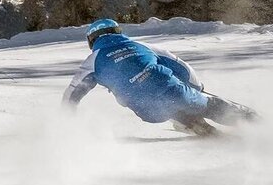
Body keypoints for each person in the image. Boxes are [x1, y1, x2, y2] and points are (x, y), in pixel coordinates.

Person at [62, 19, 258, 135]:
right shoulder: (141, 46)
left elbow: (73, 92)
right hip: (175, 91)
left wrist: (66, 119)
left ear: (92, 40)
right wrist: (198, 89)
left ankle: (192, 123)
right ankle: (256, 122)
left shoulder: (92, 60)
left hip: (145, 111)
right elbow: (182, 66)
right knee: (205, 102)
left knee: (163, 104)